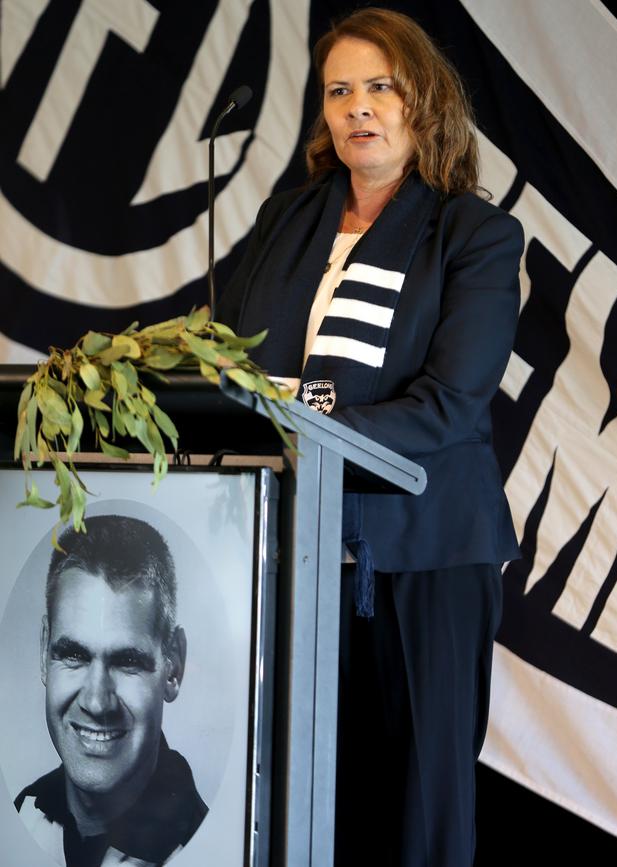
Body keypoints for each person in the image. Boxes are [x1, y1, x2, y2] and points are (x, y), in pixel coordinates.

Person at [217, 7, 524, 865]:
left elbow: (452, 404)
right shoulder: (290, 220)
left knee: (423, 803)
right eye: (339, 91)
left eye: (379, 87)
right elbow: (228, 356)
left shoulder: (476, 235)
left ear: (420, 99)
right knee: (305, 795)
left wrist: (310, 430)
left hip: (427, 550)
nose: (358, 107)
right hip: (299, 553)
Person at [14, 515, 208, 867]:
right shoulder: (21, 812)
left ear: (173, 667)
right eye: (73, 655)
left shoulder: (208, 850)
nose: (95, 700)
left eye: (127, 661)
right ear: (45, 652)